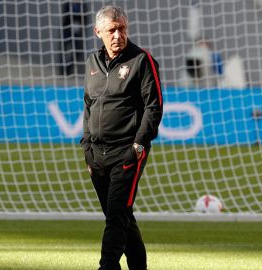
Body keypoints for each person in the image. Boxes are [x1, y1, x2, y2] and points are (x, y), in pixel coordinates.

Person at [80, 5, 163, 270]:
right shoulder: (93, 62)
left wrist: (139, 144)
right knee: (120, 214)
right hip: (97, 155)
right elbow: (88, 105)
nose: (118, 35)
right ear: (98, 32)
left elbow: (154, 106)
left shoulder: (142, 60)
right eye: (112, 30)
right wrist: (86, 147)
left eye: (122, 28)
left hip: (127, 152)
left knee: (115, 217)